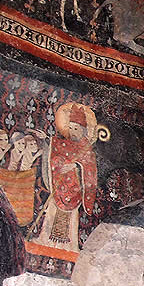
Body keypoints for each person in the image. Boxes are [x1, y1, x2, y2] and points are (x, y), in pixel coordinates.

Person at [29, 103, 98, 252]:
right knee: (52, 212)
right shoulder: (65, 143)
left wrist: (77, 167)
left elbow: (90, 170)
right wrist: (46, 139)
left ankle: (70, 246)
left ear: (83, 130)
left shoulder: (87, 148)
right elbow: (55, 147)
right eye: (70, 128)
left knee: (71, 217)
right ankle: (46, 240)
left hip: (75, 189)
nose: (72, 132)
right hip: (60, 186)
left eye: (76, 129)